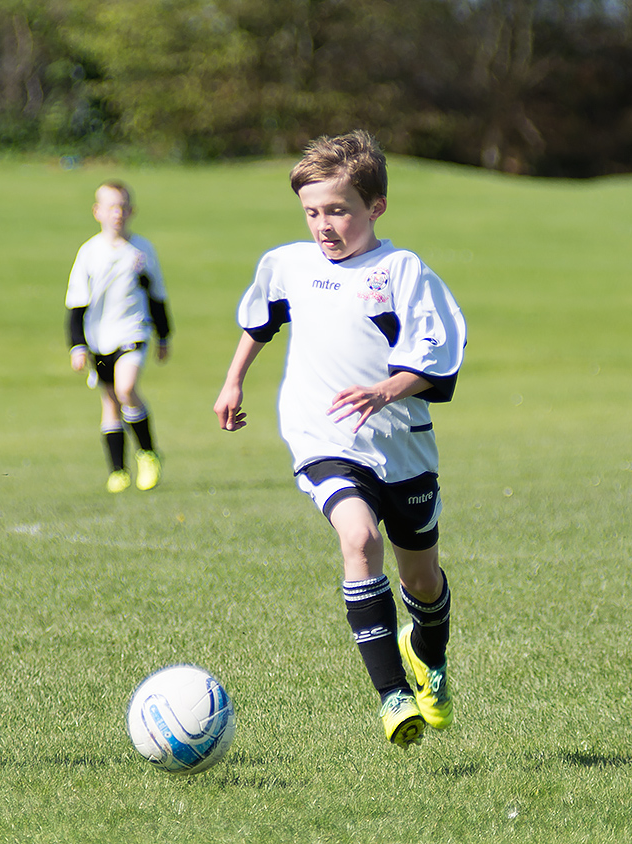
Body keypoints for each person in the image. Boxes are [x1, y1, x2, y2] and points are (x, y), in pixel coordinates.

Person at [214, 130, 466, 749]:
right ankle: (392, 698)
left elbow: (440, 363)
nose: (324, 225)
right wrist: (232, 382)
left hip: (401, 445)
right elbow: (261, 320)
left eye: (338, 211)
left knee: (423, 583)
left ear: (374, 207)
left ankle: (428, 658)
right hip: (321, 435)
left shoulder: (401, 273)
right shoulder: (288, 264)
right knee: (359, 538)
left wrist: (385, 390)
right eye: (313, 212)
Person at [66, 180, 171, 493]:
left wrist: (164, 336)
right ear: (97, 212)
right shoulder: (89, 253)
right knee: (110, 401)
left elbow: (157, 294)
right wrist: (77, 345)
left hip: (133, 331)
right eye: (111, 207)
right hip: (99, 338)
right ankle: (117, 471)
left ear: (132, 211)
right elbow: (76, 303)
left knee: (126, 389)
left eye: (123, 207)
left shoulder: (141, 251)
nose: (118, 213)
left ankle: (148, 453)